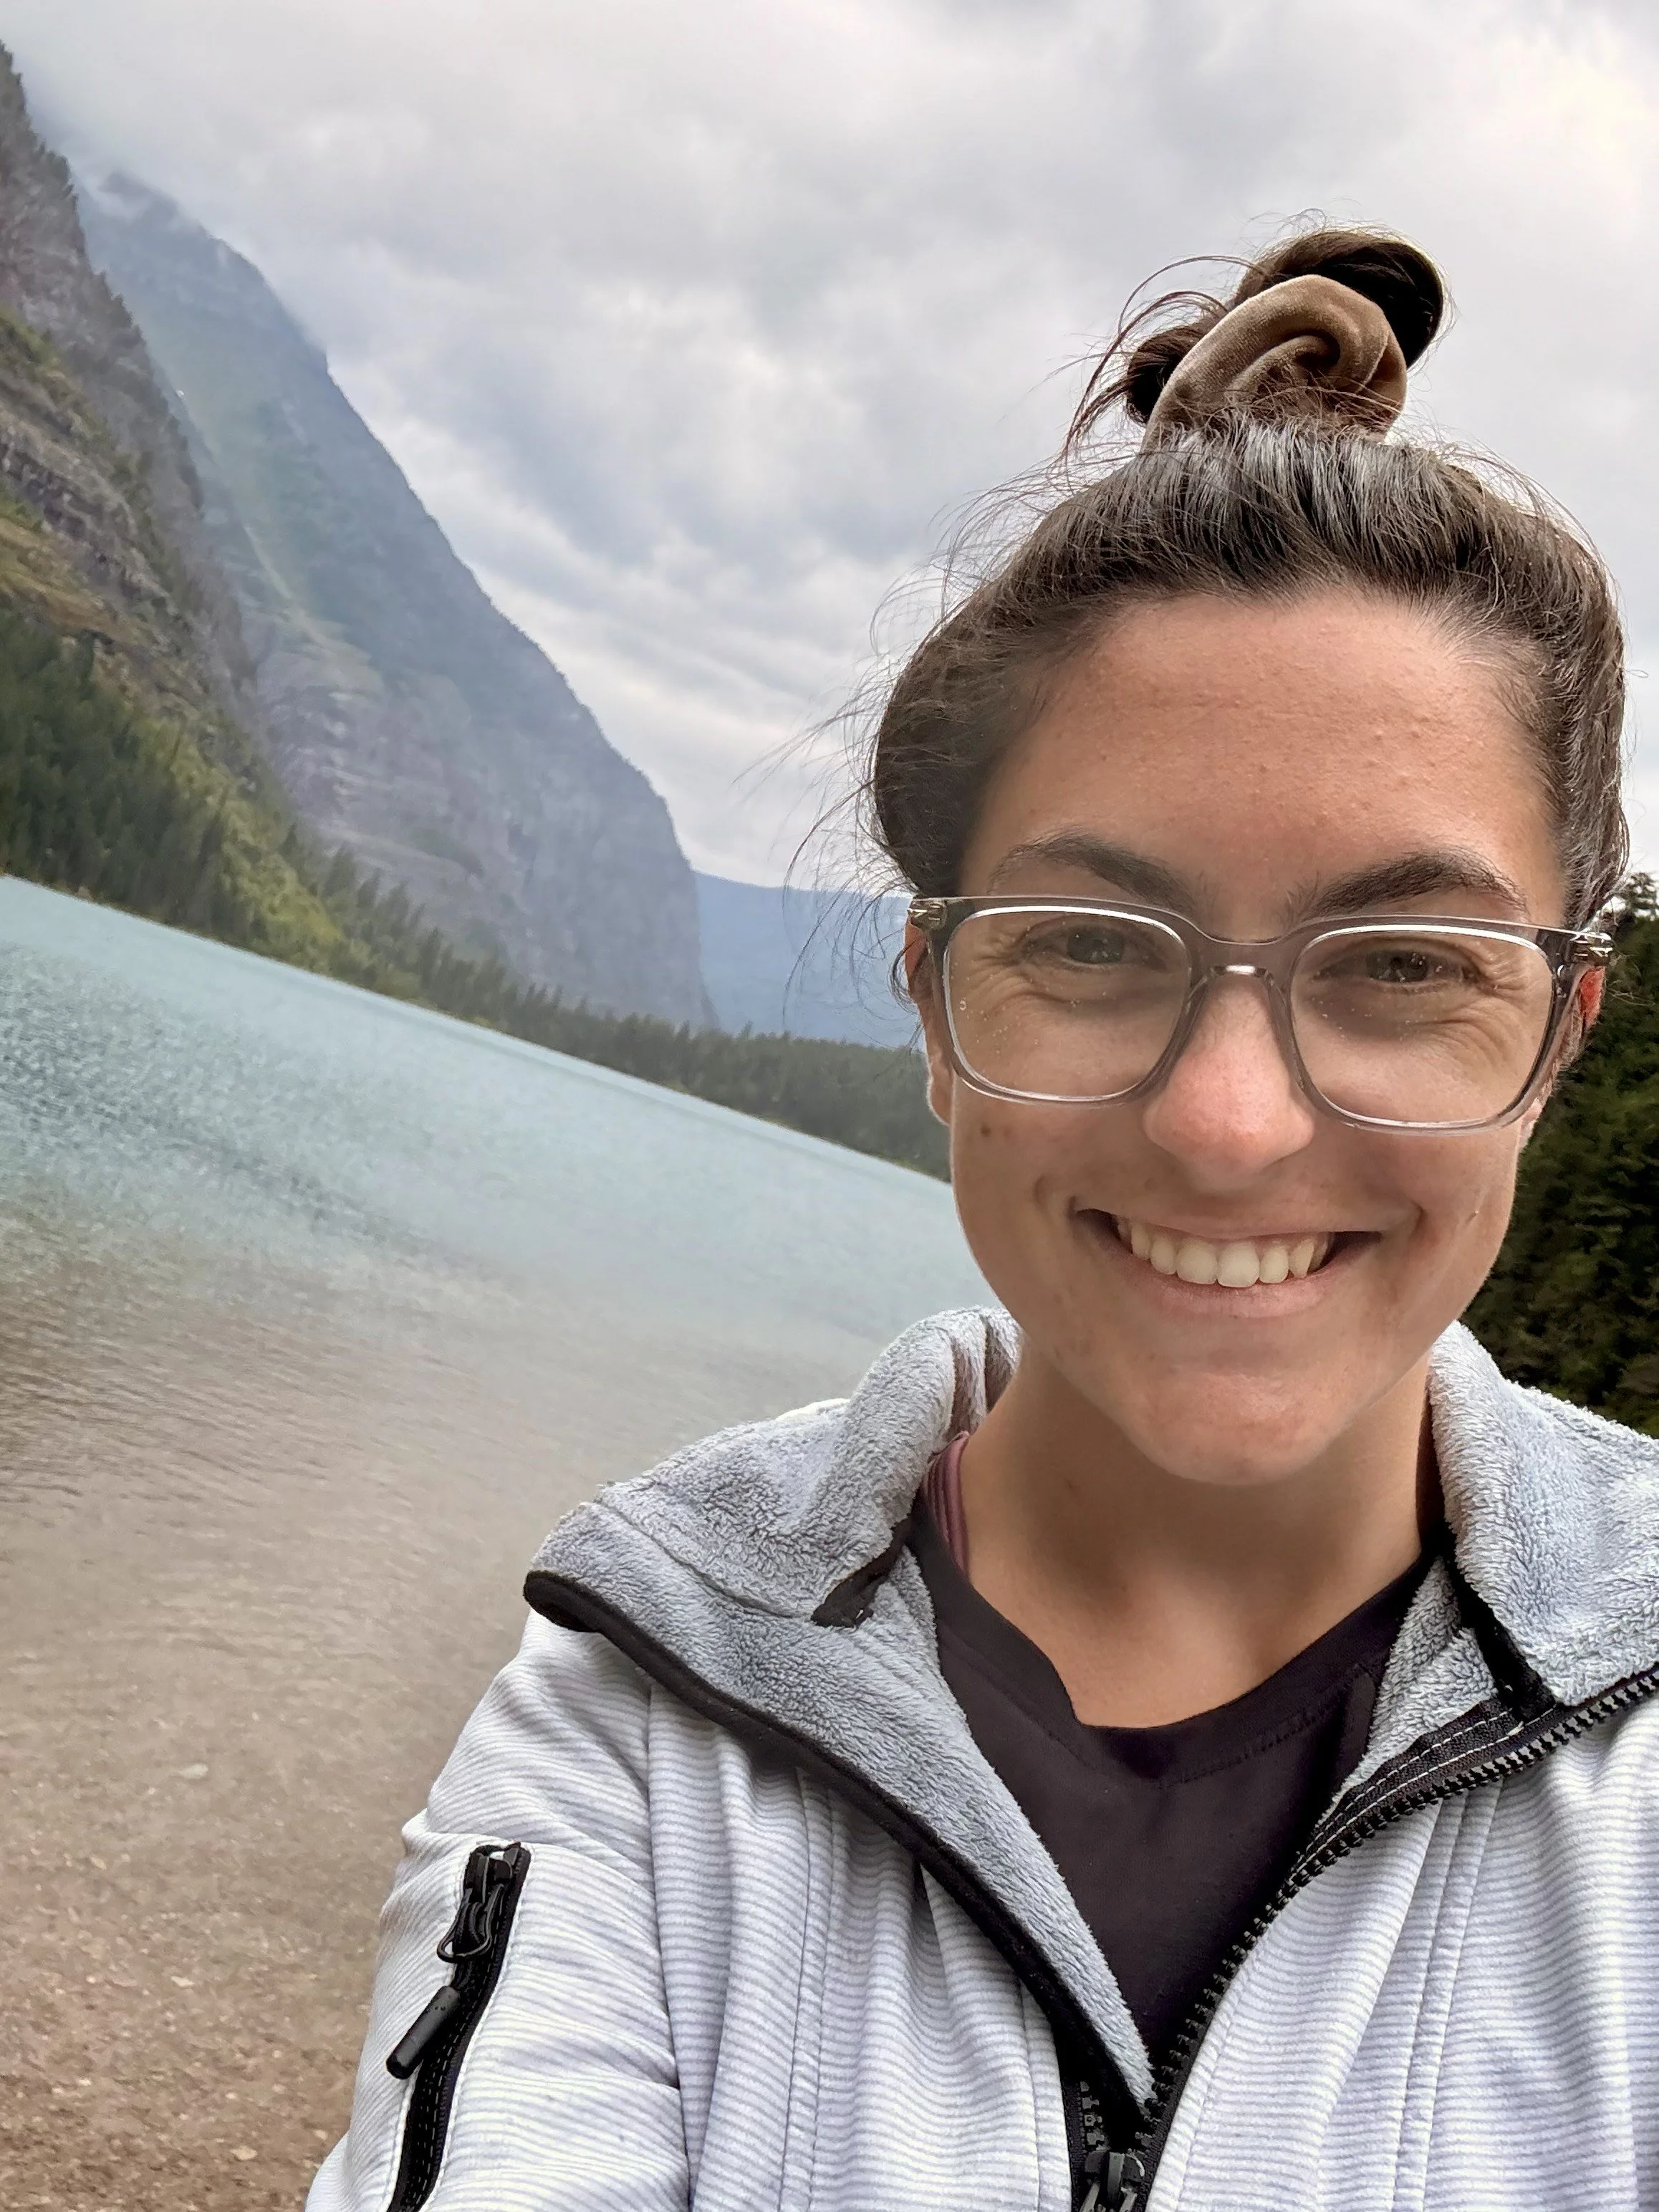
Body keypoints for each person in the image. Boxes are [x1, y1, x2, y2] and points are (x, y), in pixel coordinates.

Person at [309, 229, 1659, 2212]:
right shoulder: (640, 1721)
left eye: (1399, 963)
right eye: (1095, 947)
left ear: (1554, 1034)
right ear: (934, 1011)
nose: (1222, 1121)